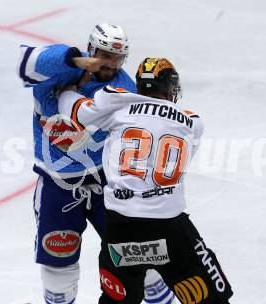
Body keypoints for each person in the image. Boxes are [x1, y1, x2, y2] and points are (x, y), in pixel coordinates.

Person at [18, 25, 174, 304]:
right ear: (91, 50)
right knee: (58, 269)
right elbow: (26, 62)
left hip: (109, 183)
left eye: (118, 57)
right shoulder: (55, 73)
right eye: (105, 55)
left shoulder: (122, 88)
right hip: (58, 187)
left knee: (141, 258)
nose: (111, 63)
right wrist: (75, 60)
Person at [58, 57, 234, 304]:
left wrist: (66, 92)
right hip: (169, 228)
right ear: (171, 87)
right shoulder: (192, 122)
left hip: (120, 227)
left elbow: (77, 112)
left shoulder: (117, 103)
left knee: (116, 301)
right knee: (211, 299)